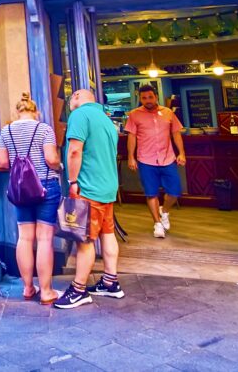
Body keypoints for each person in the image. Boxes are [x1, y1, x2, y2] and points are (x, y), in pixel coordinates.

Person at [54, 90, 123, 309]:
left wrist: (72, 181)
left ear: (76, 97)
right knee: (107, 233)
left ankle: (78, 289)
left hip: (90, 187)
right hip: (108, 186)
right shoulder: (106, 119)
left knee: (84, 239)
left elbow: (75, 150)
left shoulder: (79, 115)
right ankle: (110, 282)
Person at [0, 94, 62, 304]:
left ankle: (27, 287)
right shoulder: (44, 129)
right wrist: (59, 165)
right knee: (44, 238)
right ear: (36, 111)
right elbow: (51, 159)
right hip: (45, 186)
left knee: (24, 238)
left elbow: (2, 163)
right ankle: (46, 291)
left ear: (18, 112)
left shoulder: (6, 131)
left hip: (21, 190)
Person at [126, 85, 186, 238]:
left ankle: (164, 211)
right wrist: (131, 157)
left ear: (156, 97)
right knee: (151, 193)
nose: (148, 101)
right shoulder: (134, 115)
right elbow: (131, 137)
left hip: (168, 158)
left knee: (174, 191)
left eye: (150, 97)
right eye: (144, 98)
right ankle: (157, 224)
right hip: (146, 159)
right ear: (140, 99)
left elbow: (176, 134)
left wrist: (182, 153)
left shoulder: (168, 113)